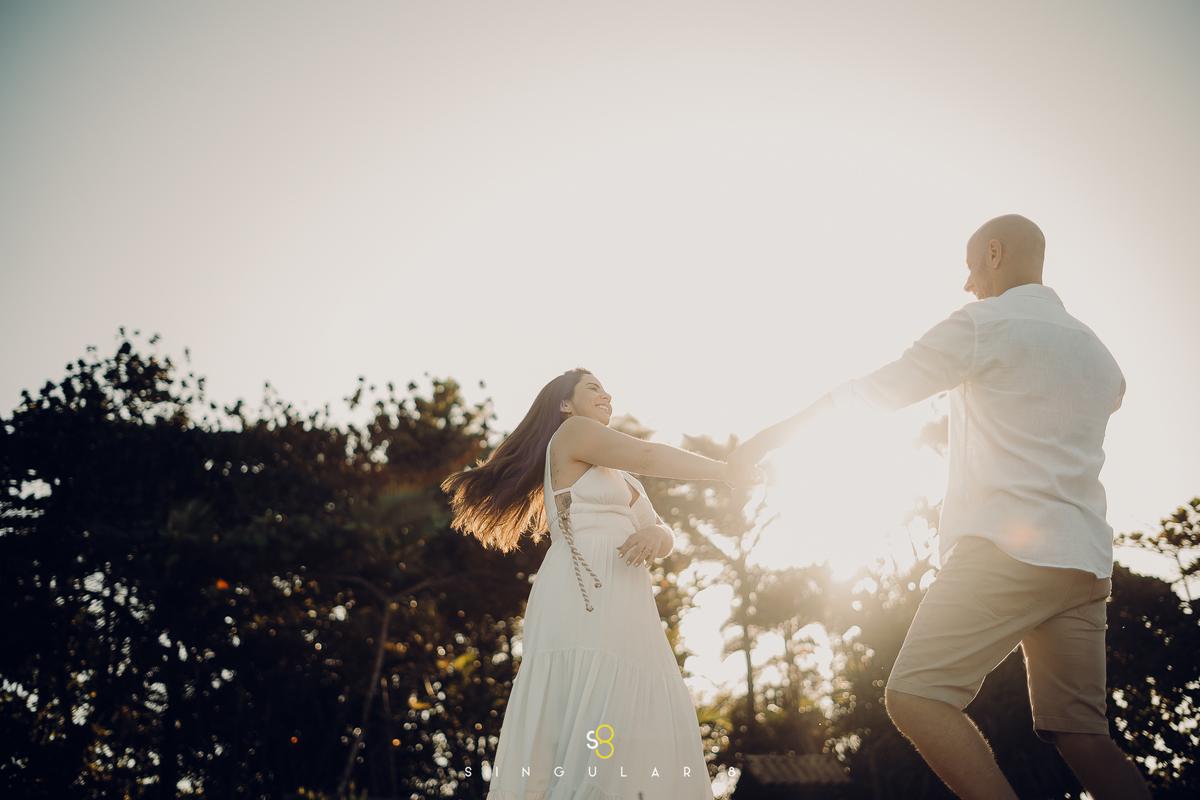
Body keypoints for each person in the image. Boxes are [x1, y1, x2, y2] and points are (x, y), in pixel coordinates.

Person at [728, 215, 1151, 800]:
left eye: (972, 266)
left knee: (915, 695)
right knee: (1083, 735)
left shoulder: (983, 325)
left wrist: (765, 440)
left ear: (995, 253)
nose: (968, 283)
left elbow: (872, 393)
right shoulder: (1101, 356)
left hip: (1006, 549)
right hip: (1085, 562)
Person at [442, 368, 760, 799]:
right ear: (565, 404)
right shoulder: (573, 433)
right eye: (593, 388)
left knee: (627, 704)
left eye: (607, 390)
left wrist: (656, 534)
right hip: (581, 587)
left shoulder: (623, 478)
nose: (607, 395)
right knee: (587, 694)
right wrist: (724, 471)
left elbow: (660, 530)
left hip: (628, 596)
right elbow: (647, 456)